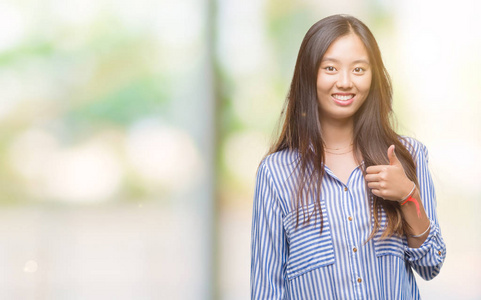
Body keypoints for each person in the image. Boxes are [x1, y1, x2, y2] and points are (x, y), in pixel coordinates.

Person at [250, 14, 446, 299]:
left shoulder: (406, 156)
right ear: (309, 74)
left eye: (358, 69)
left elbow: (432, 264)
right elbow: (267, 288)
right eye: (330, 68)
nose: (345, 82)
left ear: (373, 76)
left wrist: (407, 196)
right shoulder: (277, 173)